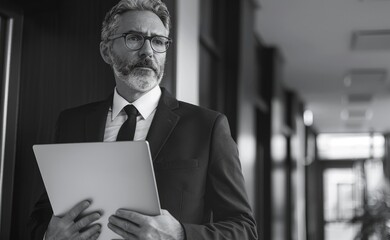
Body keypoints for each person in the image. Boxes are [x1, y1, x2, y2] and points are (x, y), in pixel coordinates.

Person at [28, 0, 258, 239]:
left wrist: (181, 234)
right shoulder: (71, 123)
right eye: (134, 38)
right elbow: (43, 215)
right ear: (106, 51)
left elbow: (243, 229)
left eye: (158, 41)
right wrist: (48, 235)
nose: (148, 52)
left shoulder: (207, 127)